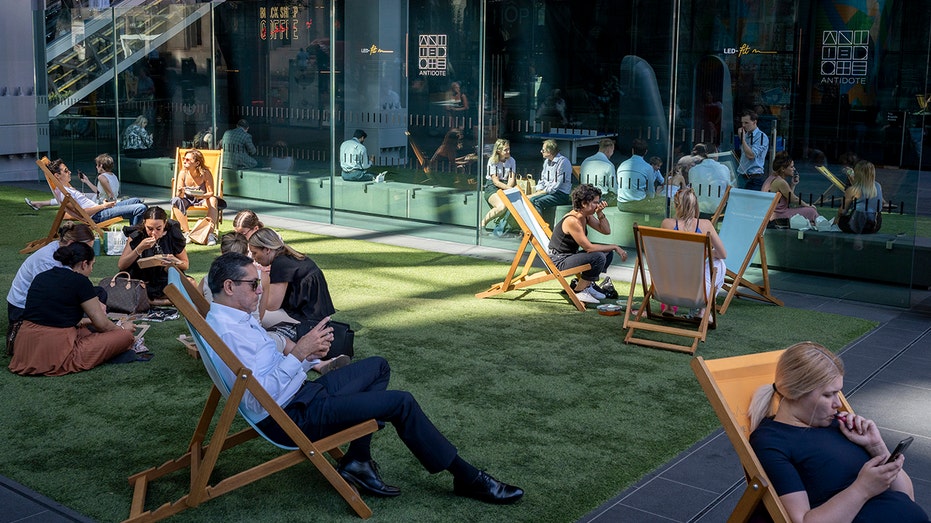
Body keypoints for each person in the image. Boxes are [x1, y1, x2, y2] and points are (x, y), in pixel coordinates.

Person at [205, 252, 523, 504]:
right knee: (401, 402)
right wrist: (300, 353)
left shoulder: (229, 319)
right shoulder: (228, 332)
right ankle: (467, 477)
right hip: (292, 417)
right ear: (229, 287)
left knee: (378, 366)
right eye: (253, 284)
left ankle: (358, 460)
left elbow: (267, 373)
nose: (261, 290)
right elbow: (257, 396)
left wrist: (310, 358)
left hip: (302, 394)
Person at [748, 341, 928, 523]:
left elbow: (907, 496)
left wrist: (877, 448)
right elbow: (802, 520)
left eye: (838, 393)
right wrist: (862, 489)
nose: (838, 403)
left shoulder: (840, 426)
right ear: (793, 392)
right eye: (828, 395)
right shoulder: (772, 442)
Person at [9, 242, 136, 376]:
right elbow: (102, 324)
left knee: (85, 331)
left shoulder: (42, 276)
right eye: (92, 265)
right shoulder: (80, 281)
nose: (92, 269)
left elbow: (53, 315)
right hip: (55, 348)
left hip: (24, 345)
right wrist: (122, 328)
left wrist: (86, 322)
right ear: (84, 264)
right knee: (125, 337)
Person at [548, 184, 627, 304]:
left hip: (570, 256)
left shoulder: (585, 216)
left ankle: (588, 284)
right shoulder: (572, 220)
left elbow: (606, 231)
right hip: (559, 261)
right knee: (598, 256)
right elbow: (588, 248)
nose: (598, 205)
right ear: (584, 203)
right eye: (595, 202)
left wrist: (600, 213)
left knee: (606, 252)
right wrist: (616, 246)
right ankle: (579, 291)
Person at [7, 223, 95, 326]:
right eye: (86, 249)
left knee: (98, 294)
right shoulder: (47, 261)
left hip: (47, 301)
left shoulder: (63, 250)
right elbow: (50, 298)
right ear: (71, 244)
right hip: (23, 309)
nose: (88, 253)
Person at [659, 187, 727, 318]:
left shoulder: (667, 224)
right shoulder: (705, 225)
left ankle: (668, 307)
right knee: (719, 263)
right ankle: (703, 310)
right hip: (697, 293)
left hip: (668, 290)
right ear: (696, 205)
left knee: (667, 259)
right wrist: (707, 252)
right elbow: (723, 254)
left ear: (675, 205)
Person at [118, 206, 189, 306]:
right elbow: (121, 265)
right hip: (142, 280)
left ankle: (153, 301)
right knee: (130, 289)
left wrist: (174, 261)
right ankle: (166, 301)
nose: (153, 233)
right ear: (144, 223)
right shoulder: (137, 235)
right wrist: (139, 249)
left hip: (163, 279)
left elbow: (185, 265)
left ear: (165, 224)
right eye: (150, 228)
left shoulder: (172, 234)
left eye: (158, 228)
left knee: (191, 283)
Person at [46, 159, 146, 225]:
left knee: (136, 201)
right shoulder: (64, 194)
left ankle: (133, 232)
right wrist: (103, 206)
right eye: (66, 171)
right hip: (97, 215)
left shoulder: (67, 188)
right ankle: (134, 239)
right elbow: (82, 213)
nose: (70, 172)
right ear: (57, 176)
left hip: (99, 210)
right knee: (140, 208)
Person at [170, 148, 219, 245]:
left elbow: (211, 192)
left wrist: (202, 196)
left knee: (213, 200)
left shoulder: (205, 173)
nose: (184, 161)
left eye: (188, 160)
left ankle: (209, 234)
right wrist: (180, 191)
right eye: (184, 158)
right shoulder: (182, 173)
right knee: (176, 200)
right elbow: (179, 196)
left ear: (197, 163)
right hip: (187, 199)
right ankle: (187, 233)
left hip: (202, 199)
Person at [762, 152, 819, 226]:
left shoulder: (771, 178)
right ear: (783, 169)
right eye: (791, 167)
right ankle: (822, 225)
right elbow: (793, 199)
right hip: (778, 215)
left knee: (809, 214)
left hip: (773, 214)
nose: (794, 169)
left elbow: (788, 197)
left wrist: (793, 185)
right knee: (811, 211)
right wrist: (807, 205)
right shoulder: (780, 182)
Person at [528, 139, 572, 219]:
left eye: (543, 150)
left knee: (536, 201)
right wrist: (539, 190)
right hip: (548, 192)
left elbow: (555, 186)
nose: (541, 151)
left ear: (550, 151)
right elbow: (542, 179)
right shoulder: (546, 162)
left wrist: (538, 194)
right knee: (530, 200)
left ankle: (539, 228)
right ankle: (530, 226)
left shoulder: (563, 162)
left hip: (560, 194)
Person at [837, 160, 884, 234]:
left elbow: (842, 211)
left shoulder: (852, 190)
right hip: (875, 226)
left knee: (841, 218)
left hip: (857, 226)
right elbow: (862, 189)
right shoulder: (878, 186)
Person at [479, 138, 517, 230]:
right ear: (499, 151)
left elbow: (511, 178)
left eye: (508, 149)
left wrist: (508, 189)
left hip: (506, 186)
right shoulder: (493, 161)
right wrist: (508, 189)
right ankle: (483, 223)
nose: (508, 151)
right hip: (492, 186)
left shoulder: (512, 160)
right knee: (501, 206)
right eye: (505, 150)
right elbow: (495, 181)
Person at [687, 143, 734, 214]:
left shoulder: (693, 170)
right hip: (718, 211)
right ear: (715, 153)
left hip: (697, 211)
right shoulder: (724, 169)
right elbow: (729, 190)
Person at [616, 138, 662, 204]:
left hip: (621, 204)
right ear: (646, 152)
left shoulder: (622, 165)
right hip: (639, 204)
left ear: (632, 150)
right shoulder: (648, 168)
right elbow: (651, 191)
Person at [736, 109, 769, 191]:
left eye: (746, 123)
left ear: (754, 122)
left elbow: (751, 155)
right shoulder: (746, 135)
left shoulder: (761, 137)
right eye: (742, 123)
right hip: (742, 174)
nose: (743, 126)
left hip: (754, 176)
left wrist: (742, 139)